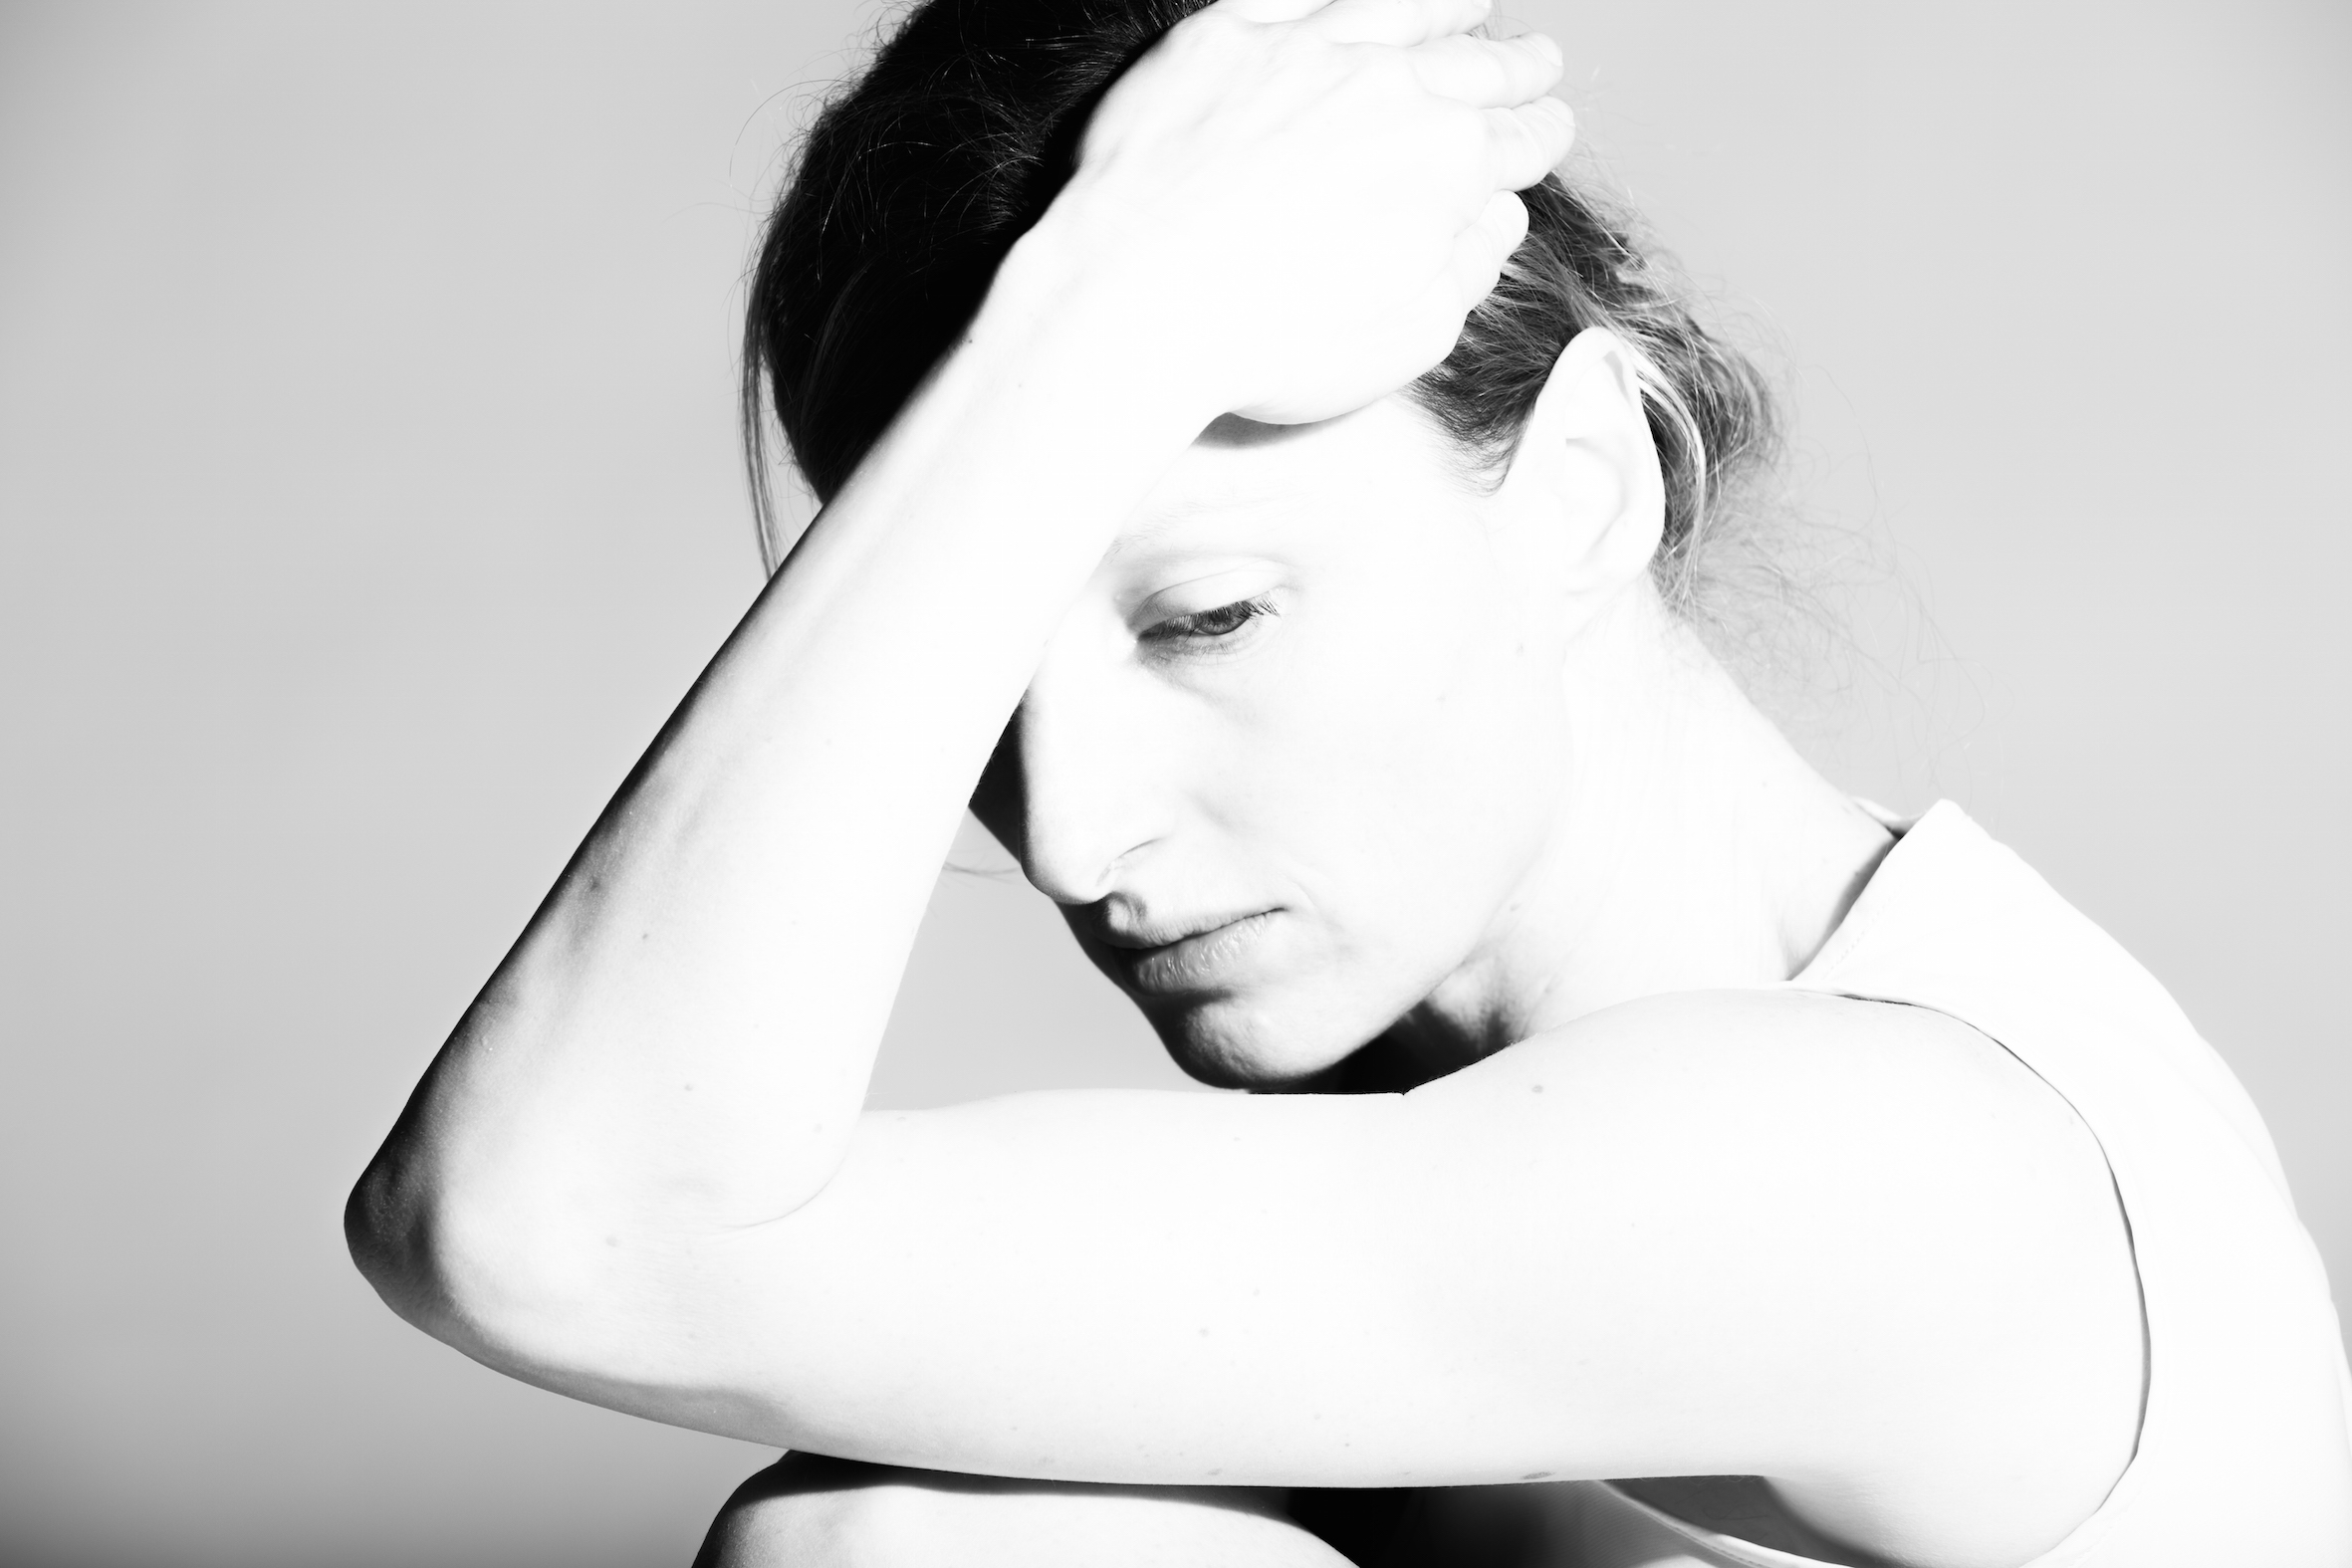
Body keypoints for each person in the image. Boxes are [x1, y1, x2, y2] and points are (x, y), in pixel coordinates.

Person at [345, 0, 2352, 1562]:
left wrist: (1104, 314)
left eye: (1206, 616)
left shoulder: (1879, 1169)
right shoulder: (1520, 1156)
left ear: (1583, 483)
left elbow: (551, 1222)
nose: (1066, 833)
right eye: (973, 700)